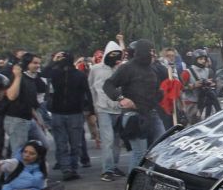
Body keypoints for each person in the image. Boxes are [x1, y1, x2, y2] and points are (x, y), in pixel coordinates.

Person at [103, 39, 164, 172]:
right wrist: (121, 98)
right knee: (140, 153)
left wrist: (160, 93)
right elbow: (108, 85)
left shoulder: (153, 69)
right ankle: (133, 187)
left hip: (151, 113)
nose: (153, 54)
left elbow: (156, 89)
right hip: (134, 116)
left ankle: (150, 182)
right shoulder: (127, 68)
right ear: (142, 52)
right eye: (150, 51)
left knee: (161, 148)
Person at [43, 51, 92, 181]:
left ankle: (68, 168)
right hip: (67, 113)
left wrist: (54, 60)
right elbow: (44, 73)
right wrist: (91, 111)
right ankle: (70, 168)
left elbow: (87, 93)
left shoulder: (72, 75)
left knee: (63, 143)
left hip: (65, 112)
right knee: (72, 143)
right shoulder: (61, 74)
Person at [90, 41, 125, 181]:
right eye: (112, 54)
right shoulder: (96, 69)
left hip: (118, 108)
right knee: (108, 139)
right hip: (103, 108)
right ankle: (107, 169)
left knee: (117, 140)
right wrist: (94, 106)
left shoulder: (120, 69)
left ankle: (114, 166)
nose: (114, 57)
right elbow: (91, 87)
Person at [3, 54, 47, 157]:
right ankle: (16, 172)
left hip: (29, 118)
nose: (37, 66)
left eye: (39, 63)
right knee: (19, 152)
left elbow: (29, 101)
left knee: (43, 146)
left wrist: (37, 119)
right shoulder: (17, 76)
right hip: (16, 119)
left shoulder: (31, 78)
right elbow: (11, 96)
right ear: (26, 64)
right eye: (35, 63)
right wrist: (18, 77)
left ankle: (32, 170)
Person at [190, 49, 220, 121]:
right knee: (194, 121)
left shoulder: (209, 70)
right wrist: (193, 85)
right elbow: (182, 88)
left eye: (204, 59)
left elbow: (213, 82)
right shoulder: (188, 71)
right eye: (201, 59)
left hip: (205, 96)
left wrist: (210, 83)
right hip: (192, 101)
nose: (203, 61)